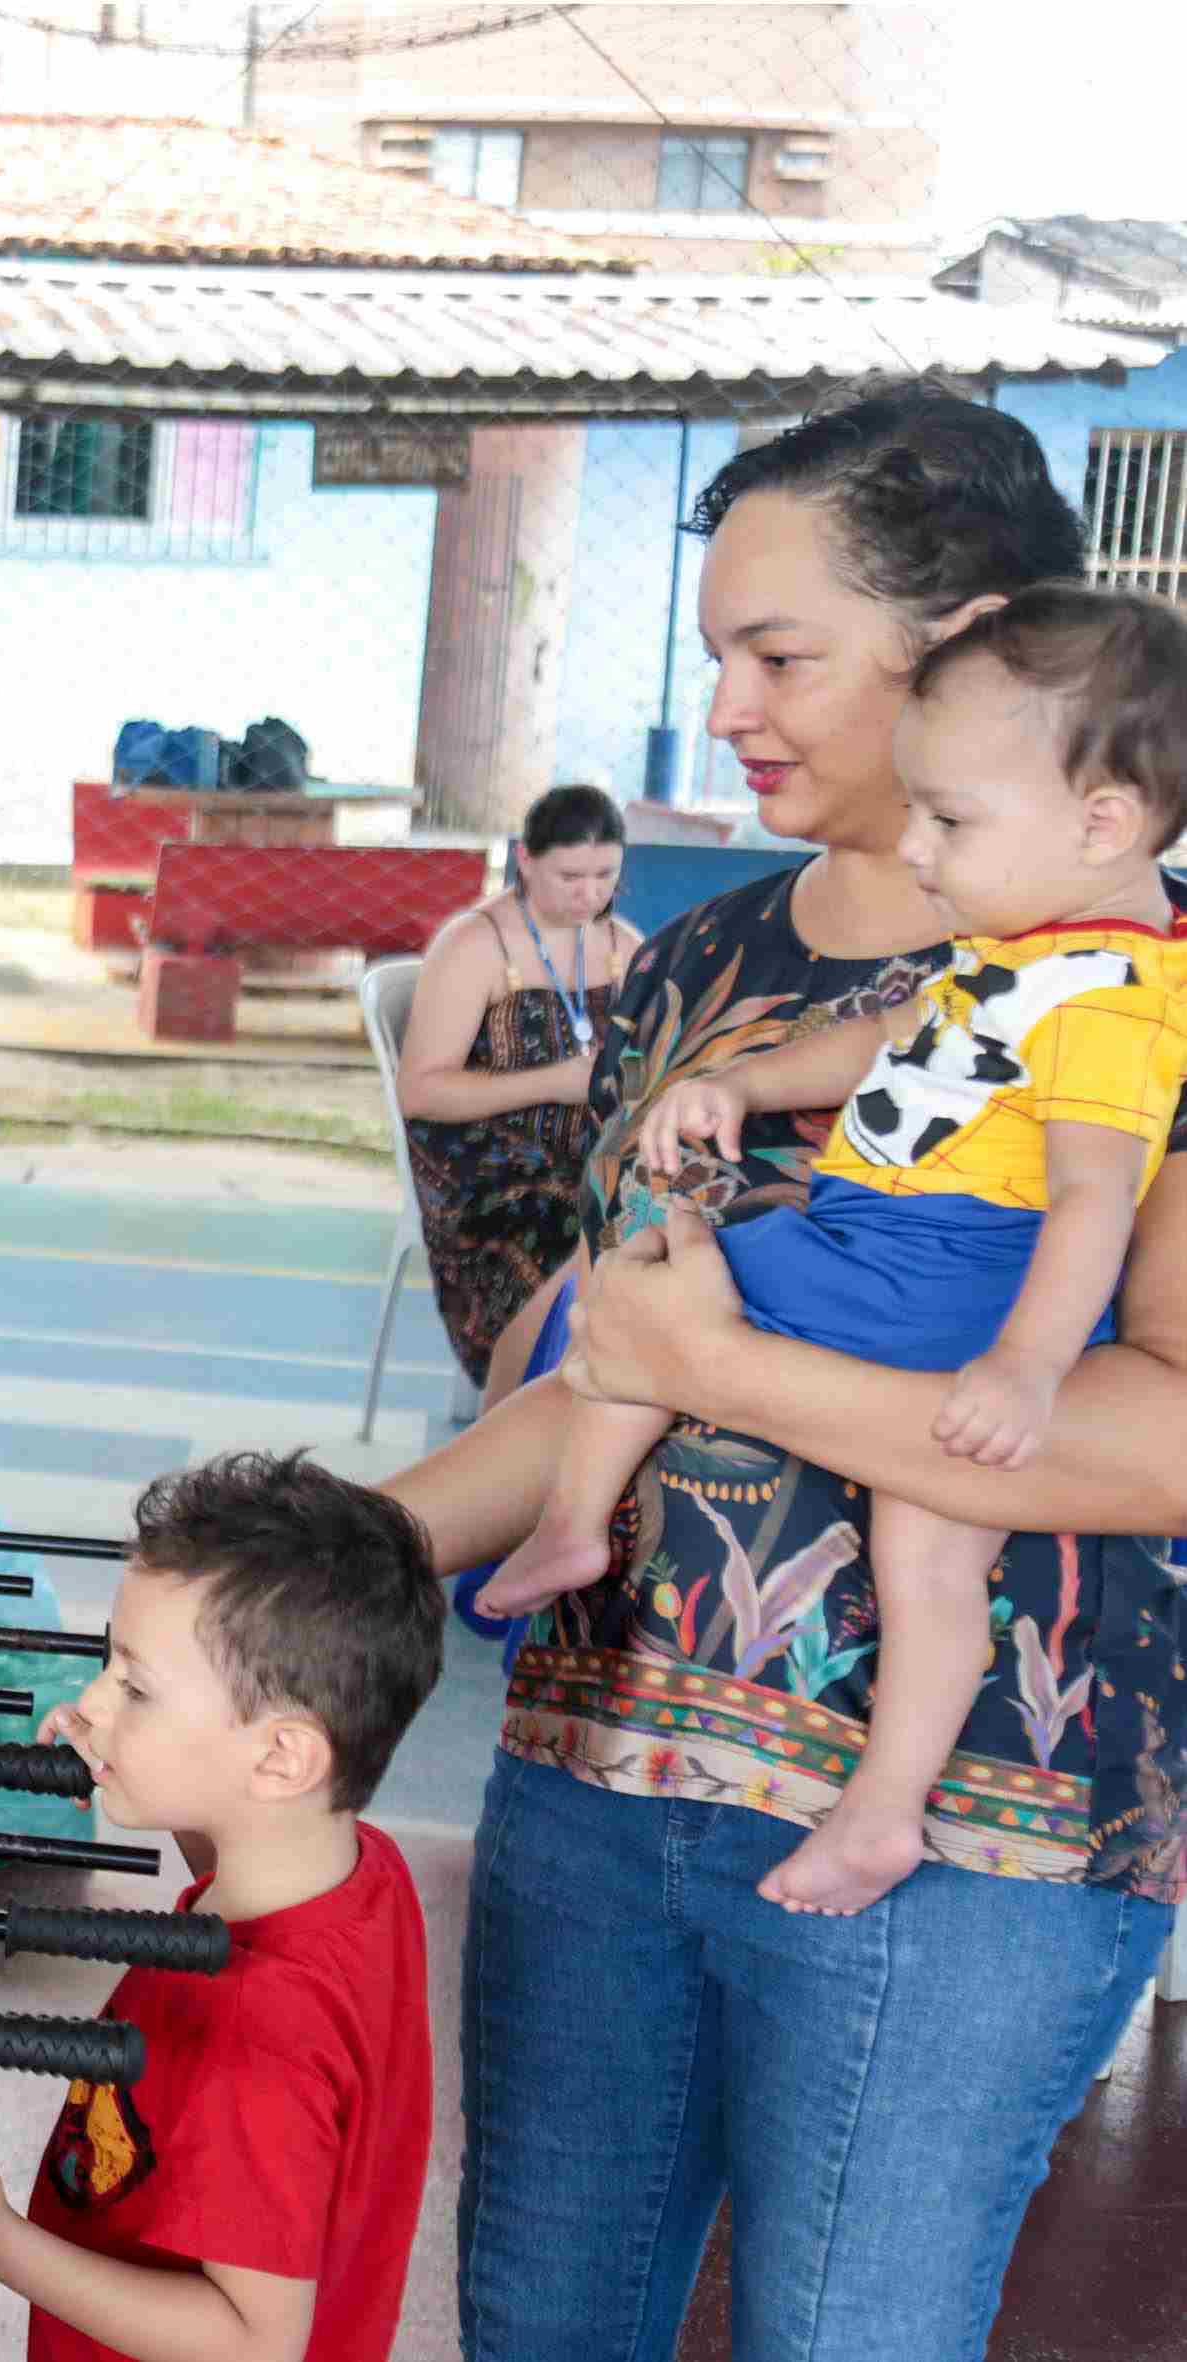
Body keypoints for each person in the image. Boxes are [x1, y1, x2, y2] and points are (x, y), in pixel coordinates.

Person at [381, 381, 1183, 2362]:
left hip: (971, 1837)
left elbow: (1162, 1430)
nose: (724, 704)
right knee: (537, 2327)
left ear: (967, 641)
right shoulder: (695, 967)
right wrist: (328, 1556)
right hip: (594, 1776)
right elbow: (605, 1360)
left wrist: (718, 1360)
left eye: (778, 654)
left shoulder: (1144, 995)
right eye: (715, 651)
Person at [483, 586, 1187, 1921]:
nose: (917, 849)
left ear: (1102, 823)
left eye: (949, 821)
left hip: (934, 1266)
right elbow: (889, 1038)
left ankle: (573, 1520)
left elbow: (1094, 1201)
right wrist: (745, 1081)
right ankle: (882, 1811)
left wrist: (1026, 1367)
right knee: (932, 1561)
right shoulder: (1034, 947)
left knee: (657, 1277)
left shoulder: (1110, 1004)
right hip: (921, 1266)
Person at [0, 1451, 443, 2362]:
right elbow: (230, 1838)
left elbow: (254, 2343)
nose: (91, 1704)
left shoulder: (257, 2034)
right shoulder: (357, 1872)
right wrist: (125, 1756)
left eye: (134, 1688)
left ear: (282, 1758)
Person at [394, 784, 641, 1388]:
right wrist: (555, 1083)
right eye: (570, 876)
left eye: (605, 875)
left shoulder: (623, 946)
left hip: (592, 1144)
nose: (589, 894)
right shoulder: (476, 944)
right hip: (482, 1158)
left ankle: (625, 1400)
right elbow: (421, 1092)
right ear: (526, 861)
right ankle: (524, 1405)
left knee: (676, 1210)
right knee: (575, 1219)